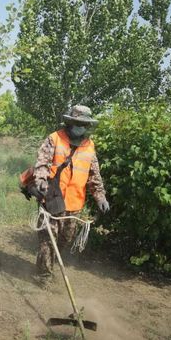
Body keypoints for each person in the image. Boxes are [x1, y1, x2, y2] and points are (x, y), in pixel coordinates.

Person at [31, 105, 110, 284]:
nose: (80, 127)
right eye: (77, 123)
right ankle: (43, 276)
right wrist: (41, 182)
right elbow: (42, 163)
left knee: (64, 240)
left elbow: (94, 175)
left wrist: (100, 196)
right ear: (70, 122)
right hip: (51, 198)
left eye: (83, 124)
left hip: (74, 204)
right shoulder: (54, 139)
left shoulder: (89, 146)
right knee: (48, 240)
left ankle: (48, 265)